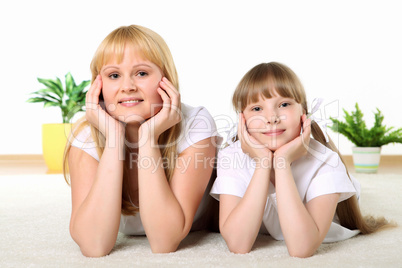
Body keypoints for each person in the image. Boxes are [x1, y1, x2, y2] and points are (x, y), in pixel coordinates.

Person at [63, 25, 220, 257]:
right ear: (98, 86)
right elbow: (94, 245)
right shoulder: (87, 134)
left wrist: (148, 137)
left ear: (165, 79)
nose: (127, 86)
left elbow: (164, 241)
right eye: (114, 75)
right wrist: (114, 138)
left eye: (142, 73)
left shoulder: (196, 123)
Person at [210, 62, 394, 257]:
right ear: (242, 120)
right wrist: (263, 163)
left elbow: (301, 248)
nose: (271, 117)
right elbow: (238, 244)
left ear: (303, 112)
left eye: (284, 104)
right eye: (257, 108)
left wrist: (282, 163)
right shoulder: (231, 156)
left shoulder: (325, 161)